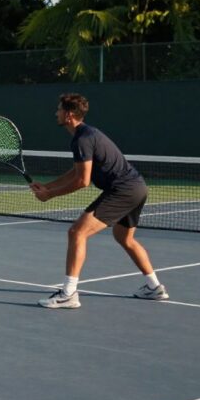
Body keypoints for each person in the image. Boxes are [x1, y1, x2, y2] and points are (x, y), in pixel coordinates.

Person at [29, 93, 168, 309]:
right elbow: (76, 172)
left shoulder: (82, 139)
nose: (56, 113)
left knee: (77, 232)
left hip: (122, 190)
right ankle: (154, 287)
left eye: (59, 109)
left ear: (69, 115)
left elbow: (82, 181)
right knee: (124, 238)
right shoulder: (86, 134)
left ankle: (68, 293)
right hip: (137, 188)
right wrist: (48, 186)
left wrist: (50, 195)